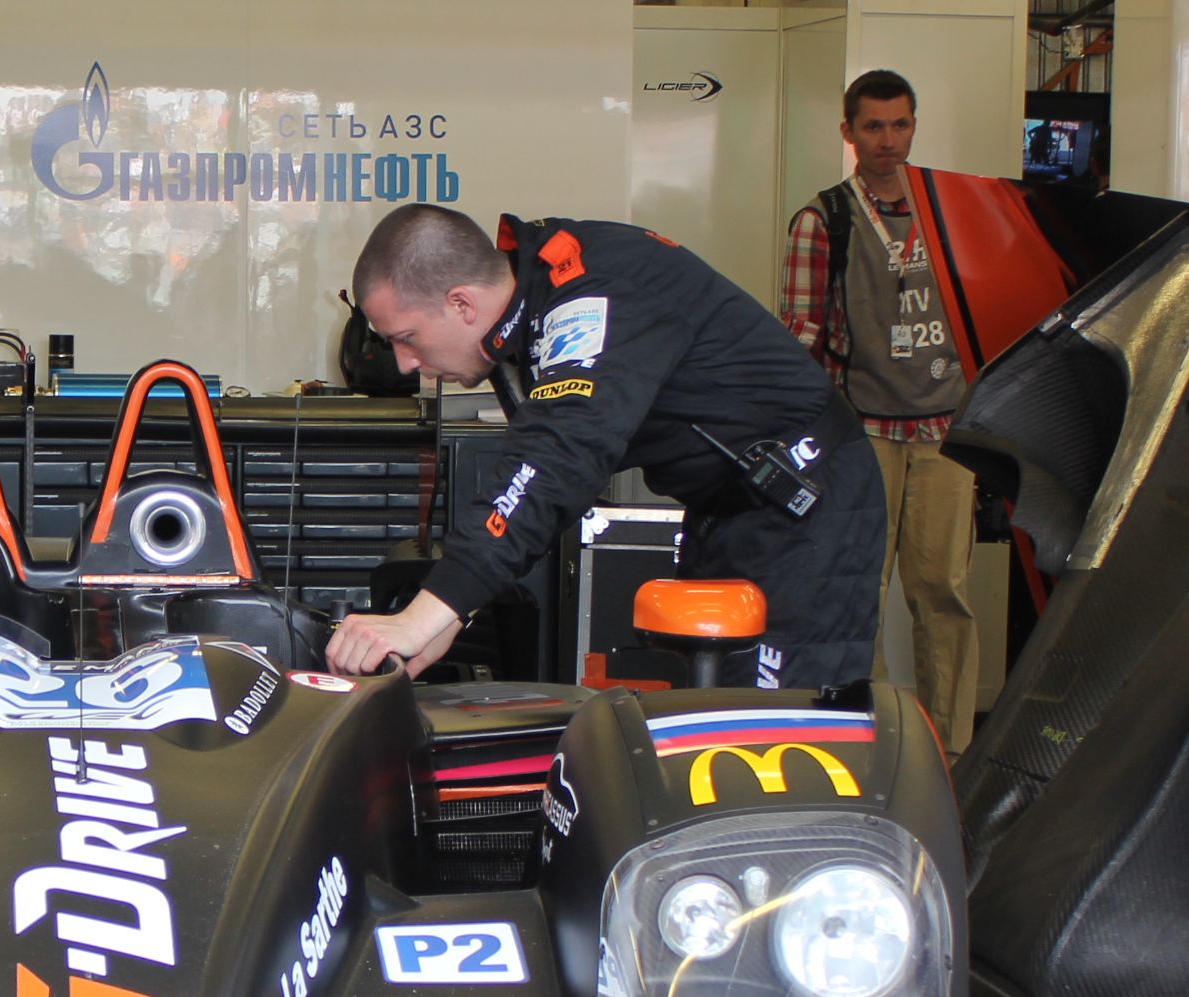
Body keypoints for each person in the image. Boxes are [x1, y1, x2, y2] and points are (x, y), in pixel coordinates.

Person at [325, 206, 886, 685]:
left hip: (807, 504)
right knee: (714, 718)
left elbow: (554, 458)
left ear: (462, 304)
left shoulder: (592, 293)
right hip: (732, 510)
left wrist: (429, 612)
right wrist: (453, 611)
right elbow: (535, 468)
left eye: (405, 338)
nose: (405, 364)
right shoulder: (535, 293)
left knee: (781, 729)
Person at [780, 69, 982, 750]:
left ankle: (951, 750)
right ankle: (869, 742)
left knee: (944, 593)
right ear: (849, 132)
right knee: (859, 591)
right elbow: (800, 336)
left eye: (900, 124)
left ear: (914, 126)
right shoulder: (823, 220)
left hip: (946, 428)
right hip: (863, 431)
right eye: (873, 126)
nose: (888, 140)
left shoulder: (950, 212)